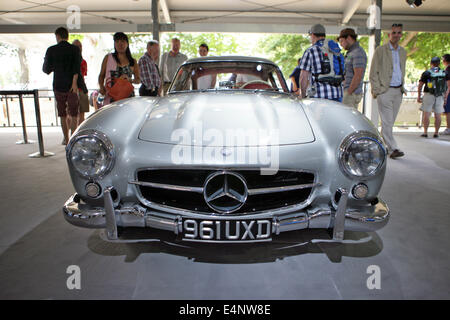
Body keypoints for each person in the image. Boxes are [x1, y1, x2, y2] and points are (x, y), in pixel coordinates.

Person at [369, 23, 407, 159]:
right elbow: (373, 72)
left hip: (398, 91)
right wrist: (378, 90)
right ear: (389, 35)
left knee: (389, 122)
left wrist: (403, 87)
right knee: (387, 121)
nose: (396, 35)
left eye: (399, 33)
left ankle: (384, 145)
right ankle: (393, 148)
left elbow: (402, 70)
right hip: (385, 90)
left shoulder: (403, 52)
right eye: (394, 33)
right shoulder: (381, 50)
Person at [42, 26, 80, 145]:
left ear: (57, 36)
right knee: (74, 114)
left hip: (58, 85)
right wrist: (74, 83)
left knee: (62, 114)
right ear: (67, 36)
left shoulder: (51, 50)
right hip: (72, 86)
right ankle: (73, 140)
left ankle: (66, 138)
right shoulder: (75, 49)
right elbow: (76, 68)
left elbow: (46, 69)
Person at [299, 24, 344, 102]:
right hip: (337, 95)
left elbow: (303, 77)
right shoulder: (336, 50)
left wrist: (303, 95)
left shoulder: (310, 51)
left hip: (319, 97)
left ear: (312, 35)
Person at [98, 32, 140, 105]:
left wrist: (130, 80)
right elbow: (101, 75)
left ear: (127, 44)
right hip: (111, 98)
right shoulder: (108, 58)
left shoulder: (133, 61)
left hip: (128, 99)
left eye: (123, 41)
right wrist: (101, 87)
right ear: (114, 44)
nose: (120, 44)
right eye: (117, 42)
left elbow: (138, 80)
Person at [337, 28, 367, 109]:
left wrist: (349, 92)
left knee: (347, 119)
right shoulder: (351, 52)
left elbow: (358, 75)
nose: (341, 44)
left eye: (342, 41)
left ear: (349, 38)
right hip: (347, 91)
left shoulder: (358, 53)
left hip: (351, 94)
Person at [417, 57, 446, 138]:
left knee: (427, 114)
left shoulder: (426, 73)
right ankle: (436, 132)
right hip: (440, 96)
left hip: (428, 94)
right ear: (439, 63)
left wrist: (419, 96)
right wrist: (445, 97)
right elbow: (447, 85)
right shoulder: (443, 72)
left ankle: (425, 132)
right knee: (438, 115)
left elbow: (420, 85)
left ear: (431, 63)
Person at [71, 39, 89, 126]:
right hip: (72, 90)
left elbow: (83, 75)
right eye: (76, 46)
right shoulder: (69, 61)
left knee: (82, 113)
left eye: (80, 46)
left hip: (82, 89)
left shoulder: (83, 61)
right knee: (71, 114)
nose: (78, 48)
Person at [442, 54, 450, 135]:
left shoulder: (448, 70)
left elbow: (449, 84)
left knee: (448, 111)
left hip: (449, 92)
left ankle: (448, 128)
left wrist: (446, 95)